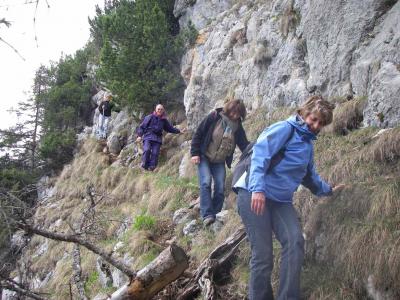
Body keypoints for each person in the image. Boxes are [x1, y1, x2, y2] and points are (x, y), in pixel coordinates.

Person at [234, 95, 345, 300]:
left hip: (280, 201)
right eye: (313, 119)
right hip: (252, 193)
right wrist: (257, 189)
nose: (315, 125)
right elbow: (260, 154)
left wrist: (329, 190)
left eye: (321, 123)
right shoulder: (285, 128)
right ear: (304, 113)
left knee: (294, 241)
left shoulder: (307, 146)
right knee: (263, 255)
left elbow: (309, 177)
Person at [191, 99, 249, 226]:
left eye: (238, 113)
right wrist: (194, 153)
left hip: (219, 161)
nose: (234, 115)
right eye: (233, 112)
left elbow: (244, 144)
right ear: (228, 109)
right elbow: (199, 133)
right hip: (204, 156)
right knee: (206, 182)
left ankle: (215, 213)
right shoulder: (214, 117)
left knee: (220, 187)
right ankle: (206, 214)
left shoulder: (237, 127)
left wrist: (254, 152)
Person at [136, 104, 183, 171]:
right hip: (148, 137)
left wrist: (179, 131)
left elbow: (169, 128)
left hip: (157, 139)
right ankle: (144, 166)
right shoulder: (149, 117)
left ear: (163, 110)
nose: (160, 110)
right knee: (147, 150)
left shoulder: (164, 120)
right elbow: (142, 127)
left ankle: (152, 168)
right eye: (158, 109)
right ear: (155, 109)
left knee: (155, 153)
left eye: (161, 109)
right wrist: (139, 136)